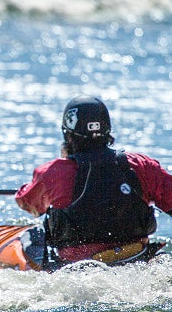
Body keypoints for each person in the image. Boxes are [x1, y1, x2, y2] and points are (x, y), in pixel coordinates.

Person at [15, 95, 172, 266]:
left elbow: (27, 202)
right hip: (137, 260)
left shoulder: (53, 173)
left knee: (32, 235)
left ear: (67, 134)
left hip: (79, 270)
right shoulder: (143, 166)